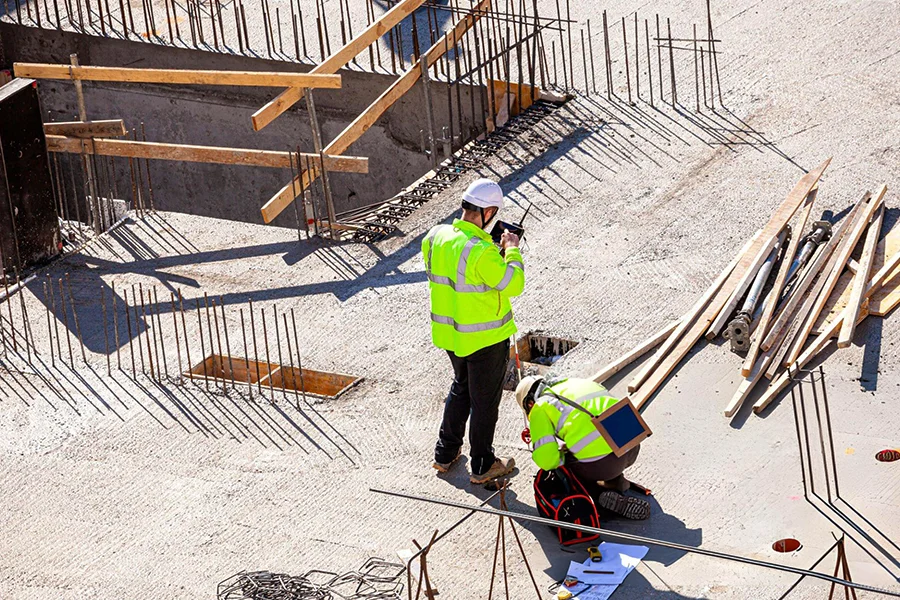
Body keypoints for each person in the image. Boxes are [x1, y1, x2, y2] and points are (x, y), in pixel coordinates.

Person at [423, 178, 525, 484]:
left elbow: (456, 272)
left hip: (451, 334)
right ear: (490, 211)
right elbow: (514, 284)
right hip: (485, 338)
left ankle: (445, 453)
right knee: (485, 401)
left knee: (461, 387)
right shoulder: (482, 251)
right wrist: (511, 250)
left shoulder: (435, 236)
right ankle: (483, 465)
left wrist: (490, 250)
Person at [515, 375, 651, 520]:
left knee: (561, 467)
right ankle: (616, 482)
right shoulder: (580, 383)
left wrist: (560, 454)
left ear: (529, 404)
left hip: (604, 464)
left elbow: (547, 460)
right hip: (632, 447)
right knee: (598, 445)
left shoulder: (540, 406)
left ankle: (597, 496)